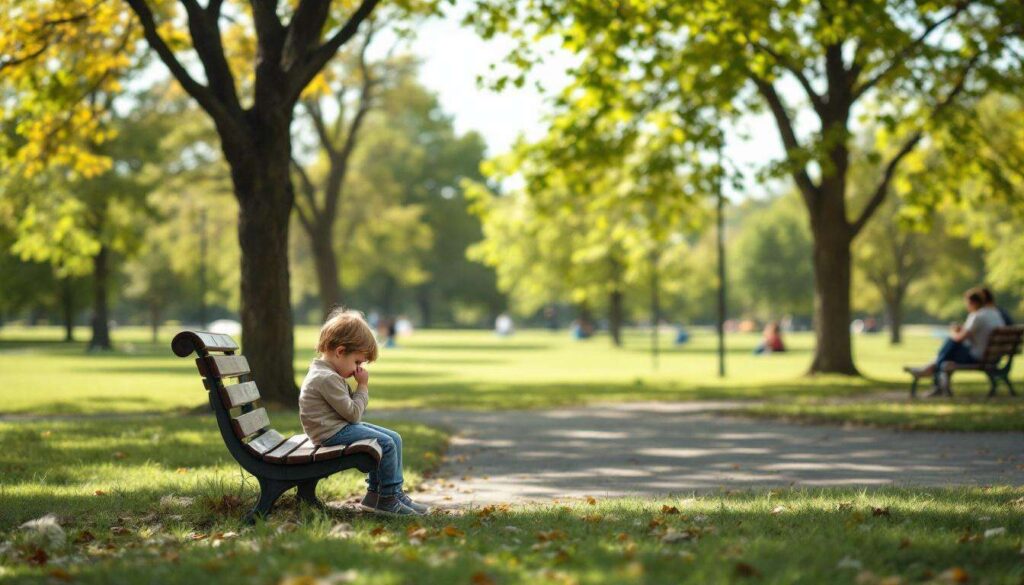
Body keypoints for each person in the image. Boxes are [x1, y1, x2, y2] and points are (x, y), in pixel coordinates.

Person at [298, 308, 428, 516]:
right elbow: (354, 415)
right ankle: (387, 499)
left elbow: (350, 415)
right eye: (357, 362)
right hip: (330, 433)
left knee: (394, 437)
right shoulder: (326, 378)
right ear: (340, 352)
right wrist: (362, 387)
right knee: (385, 443)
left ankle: (383, 494)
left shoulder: (327, 373)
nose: (358, 369)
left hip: (336, 427)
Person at [907, 287, 1006, 396]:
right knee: (948, 350)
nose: (966, 306)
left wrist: (955, 332)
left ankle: (932, 375)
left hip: (978, 357)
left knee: (951, 342)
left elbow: (960, 338)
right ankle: (930, 370)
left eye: (967, 303)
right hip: (993, 357)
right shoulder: (995, 313)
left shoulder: (977, 316)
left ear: (973, 303)